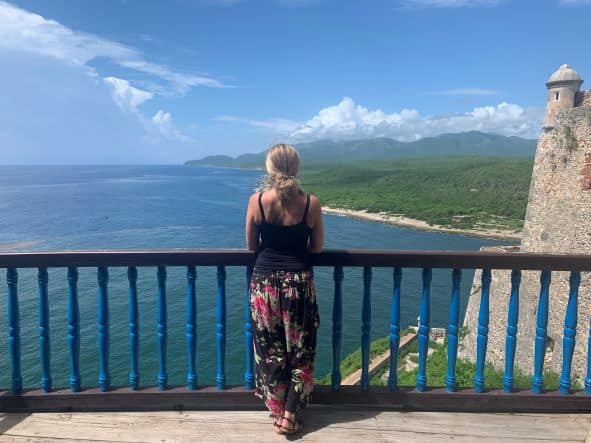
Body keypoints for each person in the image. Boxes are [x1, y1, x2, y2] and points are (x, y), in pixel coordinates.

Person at [245, 143, 324, 435]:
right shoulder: (310, 204)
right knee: (300, 352)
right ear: (297, 168)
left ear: (270, 168)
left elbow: (251, 246)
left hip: (264, 287)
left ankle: (277, 411)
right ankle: (291, 414)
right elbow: (316, 247)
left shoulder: (257, 201)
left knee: (270, 351)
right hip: (298, 287)